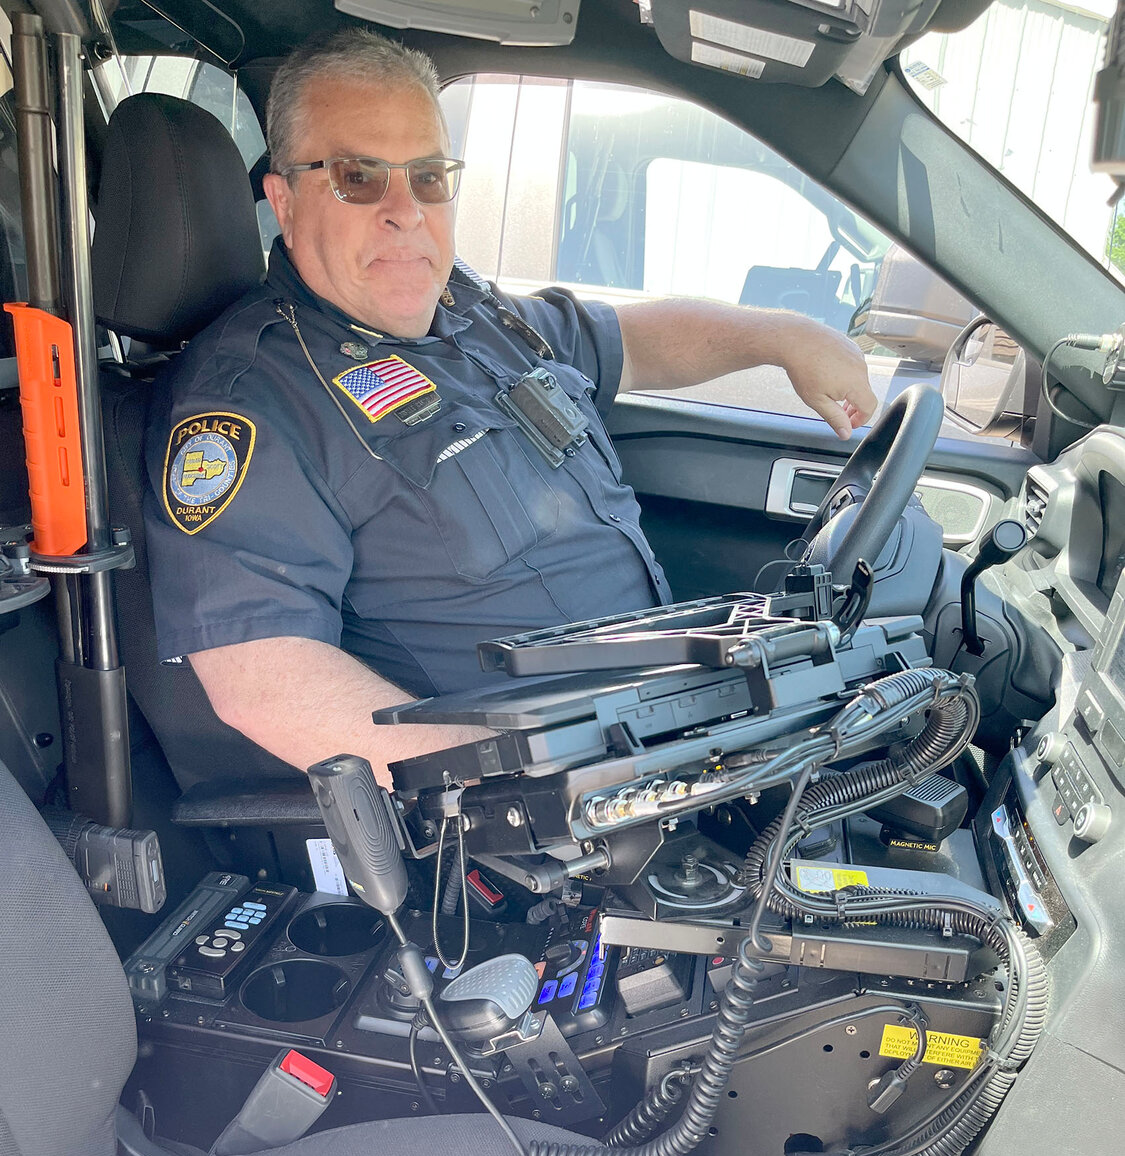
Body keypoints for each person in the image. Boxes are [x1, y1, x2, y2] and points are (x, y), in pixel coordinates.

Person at [144, 29, 877, 787]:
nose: (406, 211)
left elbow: (631, 339)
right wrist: (522, 784)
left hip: (680, 741)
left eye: (428, 177)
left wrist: (781, 335)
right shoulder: (249, 400)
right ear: (285, 200)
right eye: (358, 176)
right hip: (550, 812)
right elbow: (262, 680)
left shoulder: (469, 308)